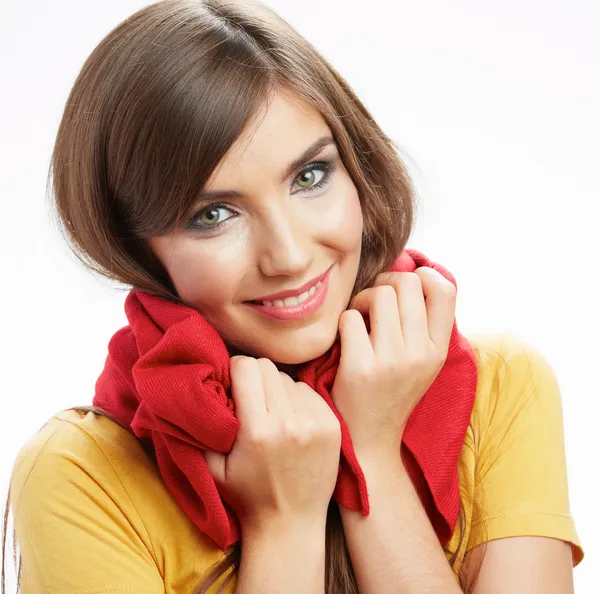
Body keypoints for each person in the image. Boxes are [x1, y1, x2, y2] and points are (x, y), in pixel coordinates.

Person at [2, 0, 583, 593]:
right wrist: (284, 524)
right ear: (136, 247)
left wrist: (373, 457)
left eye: (309, 176)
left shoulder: (502, 387)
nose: (289, 256)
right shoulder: (80, 476)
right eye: (214, 214)